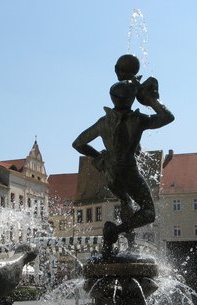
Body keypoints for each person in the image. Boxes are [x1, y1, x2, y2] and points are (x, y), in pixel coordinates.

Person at [72, 58, 174, 252]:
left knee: (126, 201)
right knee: (149, 212)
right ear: (132, 99)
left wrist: (100, 158)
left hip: (111, 174)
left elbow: (78, 143)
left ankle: (130, 245)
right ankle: (116, 231)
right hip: (128, 171)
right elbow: (167, 117)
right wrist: (152, 100)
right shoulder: (138, 120)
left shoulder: (104, 121)